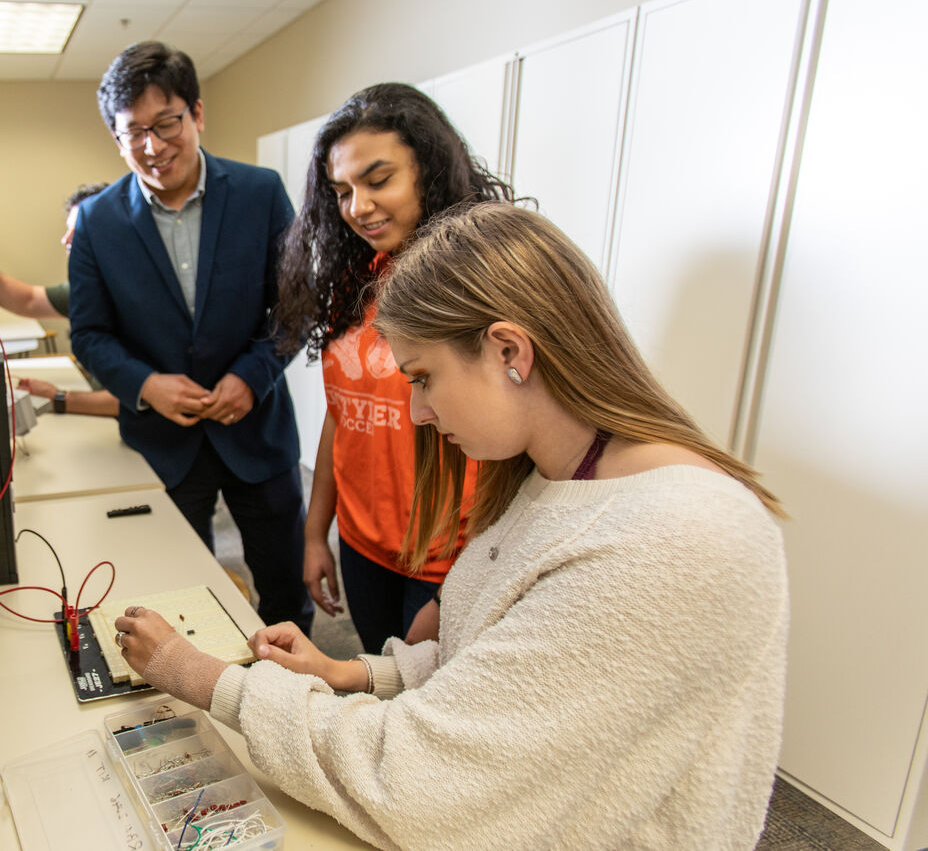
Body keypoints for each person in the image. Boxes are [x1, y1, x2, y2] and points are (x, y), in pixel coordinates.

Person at [113, 202, 789, 849]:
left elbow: (417, 783)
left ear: (508, 352)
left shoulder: (673, 541)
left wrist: (201, 677)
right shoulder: (565, 475)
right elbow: (503, 666)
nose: (417, 412)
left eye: (424, 378)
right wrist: (351, 674)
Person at [69, 41, 312, 632]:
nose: (153, 147)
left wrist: (251, 378)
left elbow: (294, 309)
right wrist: (146, 385)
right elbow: (89, 335)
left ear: (197, 114)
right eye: (134, 133)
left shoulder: (260, 193)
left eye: (167, 123)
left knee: (285, 593)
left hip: (256, 432)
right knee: (177, 602)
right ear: (116, 139)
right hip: (163, 443)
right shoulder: (98, 221)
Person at [275, 83, 517, 652]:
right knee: (381, 683)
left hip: (448, 555)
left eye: (379, 180)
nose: (358, 206)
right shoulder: (355, 282)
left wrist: (477, 566)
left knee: (428, 704)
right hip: (362, 543)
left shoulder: (481, 282)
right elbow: (342, 418)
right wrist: (317, 536)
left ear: (429, 172)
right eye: (341, 191)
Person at [0, 183, 120, 418]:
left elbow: (141, 399)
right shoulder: (92, 291)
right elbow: (28, 300)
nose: (65, 240)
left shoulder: (143, 299)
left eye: (80, 230)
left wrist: (58, 398)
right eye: (68, 230)